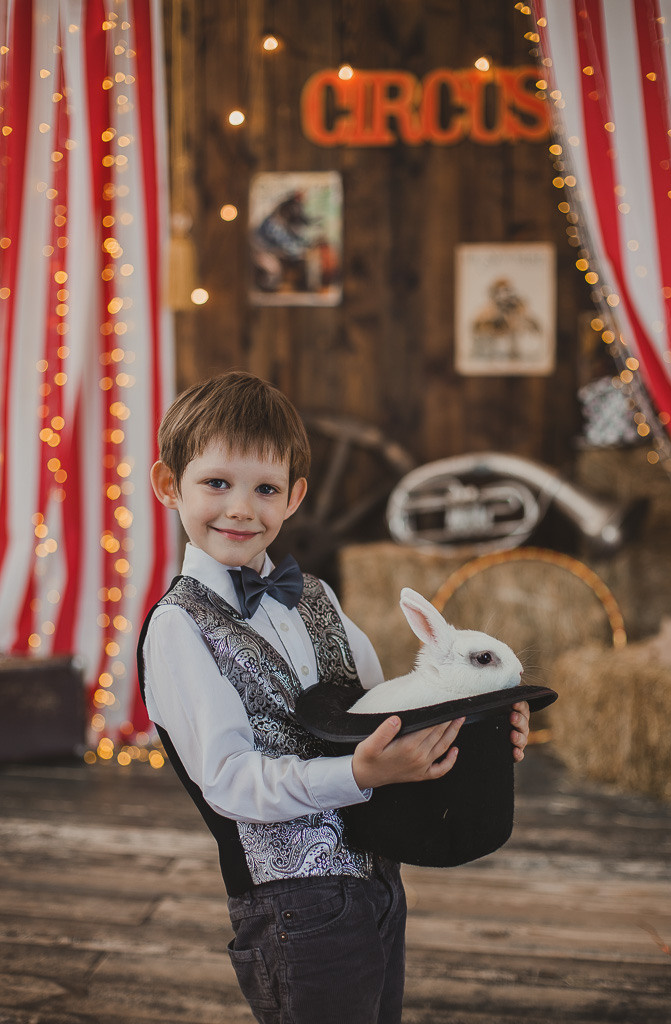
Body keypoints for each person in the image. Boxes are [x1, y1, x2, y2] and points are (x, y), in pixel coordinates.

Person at [138, 371, 530, 1024]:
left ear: (293, 496)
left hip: (377, 876)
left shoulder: (314, 598)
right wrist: (358, 773)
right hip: (293, 905)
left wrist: (477, 732)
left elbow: (387, 714)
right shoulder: (180, 625)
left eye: (264, 488)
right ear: (168, 484)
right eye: (216, 484)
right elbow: (229, 781)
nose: (240, 507)